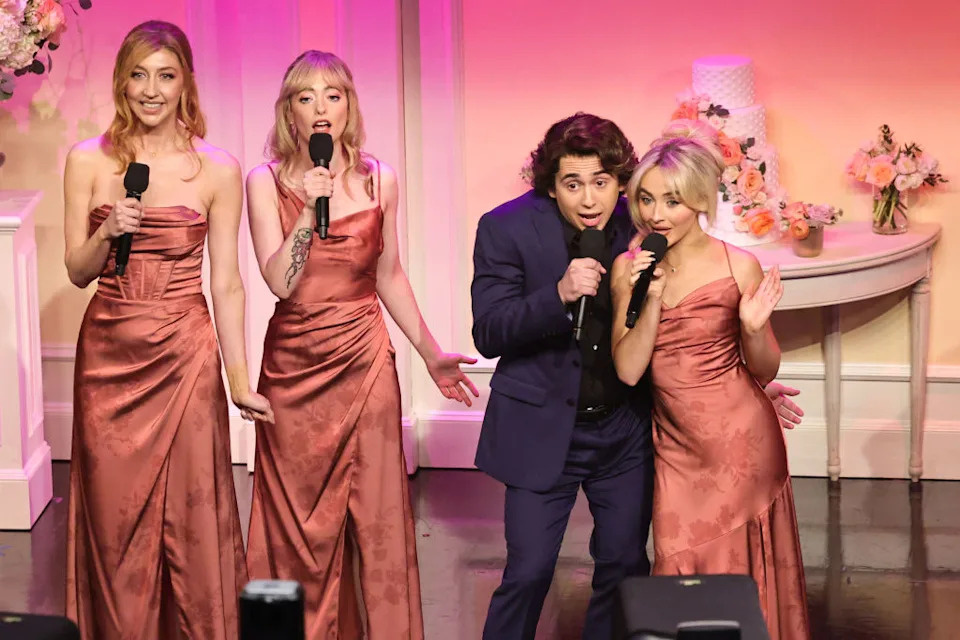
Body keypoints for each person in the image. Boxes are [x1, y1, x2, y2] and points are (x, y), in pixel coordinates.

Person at [244, 49, 478, 640]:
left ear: (349, 106)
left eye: (334, 94)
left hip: (364, 356)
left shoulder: (379, 177)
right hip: (294, 365)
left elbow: (389, 273)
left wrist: (430, 354)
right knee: (295, 517)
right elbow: (280, 281)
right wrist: (307, 212)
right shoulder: (263, 181)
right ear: (288, 113)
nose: (321, 108)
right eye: (306, 96)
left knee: (375, 512)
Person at [63, 20, 272, 640]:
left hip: (185, 355)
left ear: (186, 84)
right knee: (113, 517)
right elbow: (76, 272)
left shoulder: (217, 169)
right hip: (107, 356)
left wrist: (238, 378)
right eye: (138, 75)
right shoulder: (86, 160)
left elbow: (228, 284)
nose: (151, 90)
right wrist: (107, 231)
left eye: (166, 75)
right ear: (122, 81)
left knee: (191, 516)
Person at [611, 121, 810, 639]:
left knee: (738, 571)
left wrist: (752, 327)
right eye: (647, 199)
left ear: (699, 200)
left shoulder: (739, 265)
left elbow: (764, 369)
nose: (656, 214)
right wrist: (648, 300)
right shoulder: (628, 269)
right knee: (676, 560)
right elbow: (629, 369)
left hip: (741, 443)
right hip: (676, 447)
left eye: (672, 201)